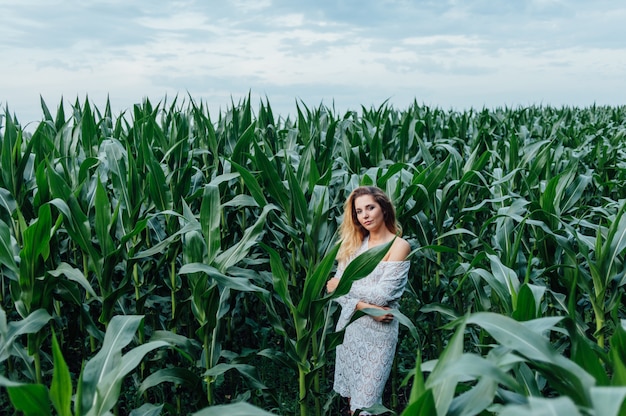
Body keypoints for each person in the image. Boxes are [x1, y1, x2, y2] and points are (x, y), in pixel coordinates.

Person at [326, 186, 411, 415]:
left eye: (370, 208)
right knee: (354, 404)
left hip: (379, 338)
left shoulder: (399, 247)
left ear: (383, 208)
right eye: (359, 211)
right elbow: (332, 289)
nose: (364, 215)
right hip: (350, 331)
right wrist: (366, 307)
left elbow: (382, 295)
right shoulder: (353, 245)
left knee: (367, 406)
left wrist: (344, 287)